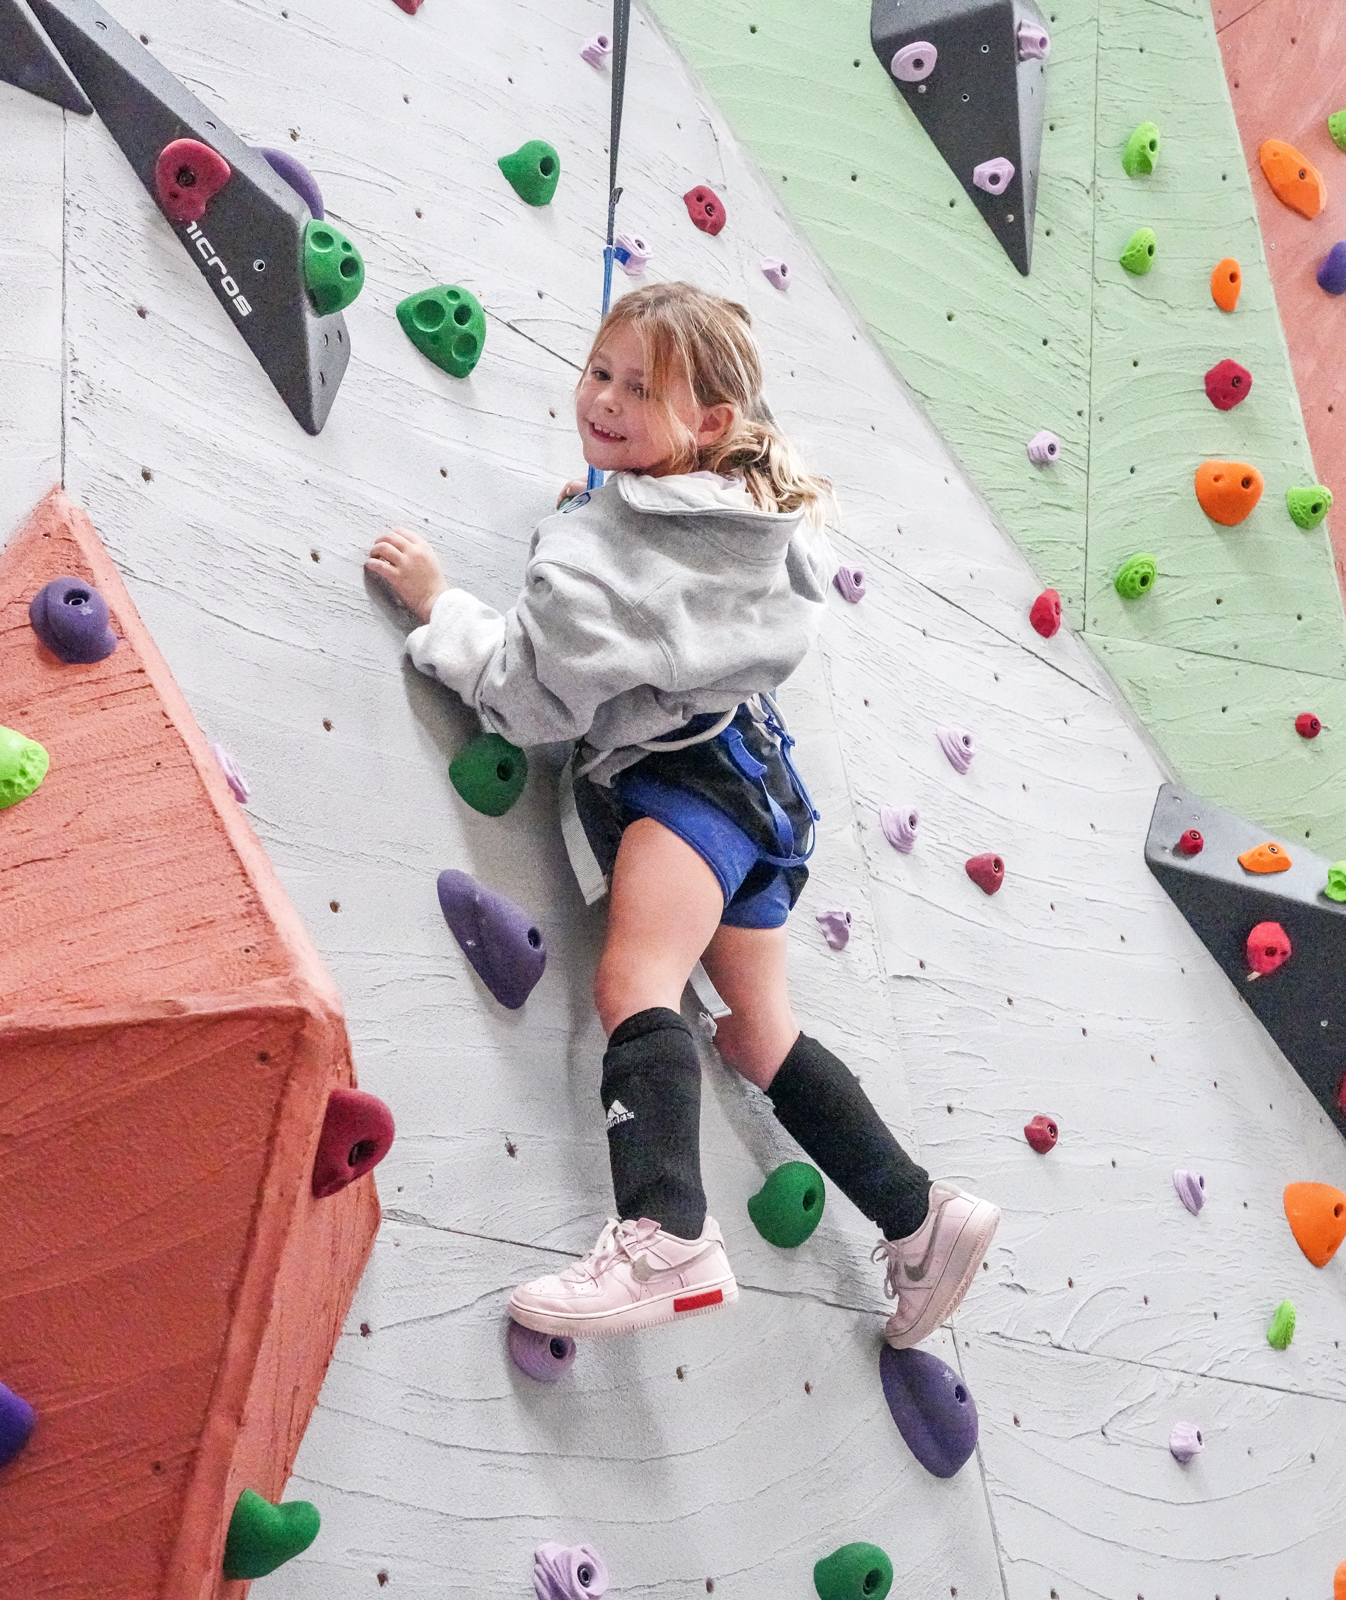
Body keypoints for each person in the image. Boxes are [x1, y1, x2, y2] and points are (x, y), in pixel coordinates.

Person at [366, 282, 999, 1348]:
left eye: (639, 389)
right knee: (758, 1033)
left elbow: (523, 696)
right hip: (760, 795)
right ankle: (920, 1214)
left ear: (707, 424)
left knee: (634, 981)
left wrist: (442, 605)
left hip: (679, 788)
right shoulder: (743, 515)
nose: (605, 400)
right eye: (601, 372)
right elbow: (656, 590)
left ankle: (667, 1233)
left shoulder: (600, 553)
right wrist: (602, 511)